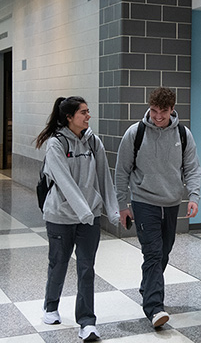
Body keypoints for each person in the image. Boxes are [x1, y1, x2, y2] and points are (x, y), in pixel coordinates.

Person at [35, 96, 120, 342]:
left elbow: (104, 177)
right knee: (58, 263)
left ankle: (87, 322)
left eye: (88, 111)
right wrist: (82, 212)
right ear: (69, 117)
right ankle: (50, 307)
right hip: (60, 216)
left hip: (89, 218)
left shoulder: (93, 141)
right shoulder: (56, 144)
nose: (88, 116)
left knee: (86, 269)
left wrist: (111, 210)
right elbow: (64, 182)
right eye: (83, 112)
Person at [115, 87, 201, 328]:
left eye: (163, 111)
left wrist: (193, 196)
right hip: (144, 202)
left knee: (164, 252)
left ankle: (147, 287)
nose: (158, 116)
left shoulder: (183, 134)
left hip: (172, 202)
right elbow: (121, 172)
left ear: (172, 109)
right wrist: (123, 205)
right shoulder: (135, 133)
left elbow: (192, 168)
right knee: (152, 252)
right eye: (154, 111)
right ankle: (154, 308)